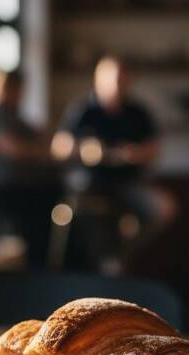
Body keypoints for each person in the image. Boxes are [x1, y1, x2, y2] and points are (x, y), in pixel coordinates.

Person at [54, 55, 175, 273]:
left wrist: (136, 154)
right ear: (98, 79)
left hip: (129, 183)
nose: (116, 85)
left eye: (121, 79)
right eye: (111, 79)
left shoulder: (137, 112)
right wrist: (84, 149)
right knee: (90, 221)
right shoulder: (83, 110)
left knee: (164, 208)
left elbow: (154, 148)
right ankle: (100, 264)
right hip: (91, 185)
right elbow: (59, 146)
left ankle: (122, 254)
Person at [0, 70, 60, 268]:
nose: (18, 94)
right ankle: (36, 270)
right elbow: (14, 149)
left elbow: (39, 136)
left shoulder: (11, 114)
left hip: (17, 188)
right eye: (14, 89)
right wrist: (42, 150)